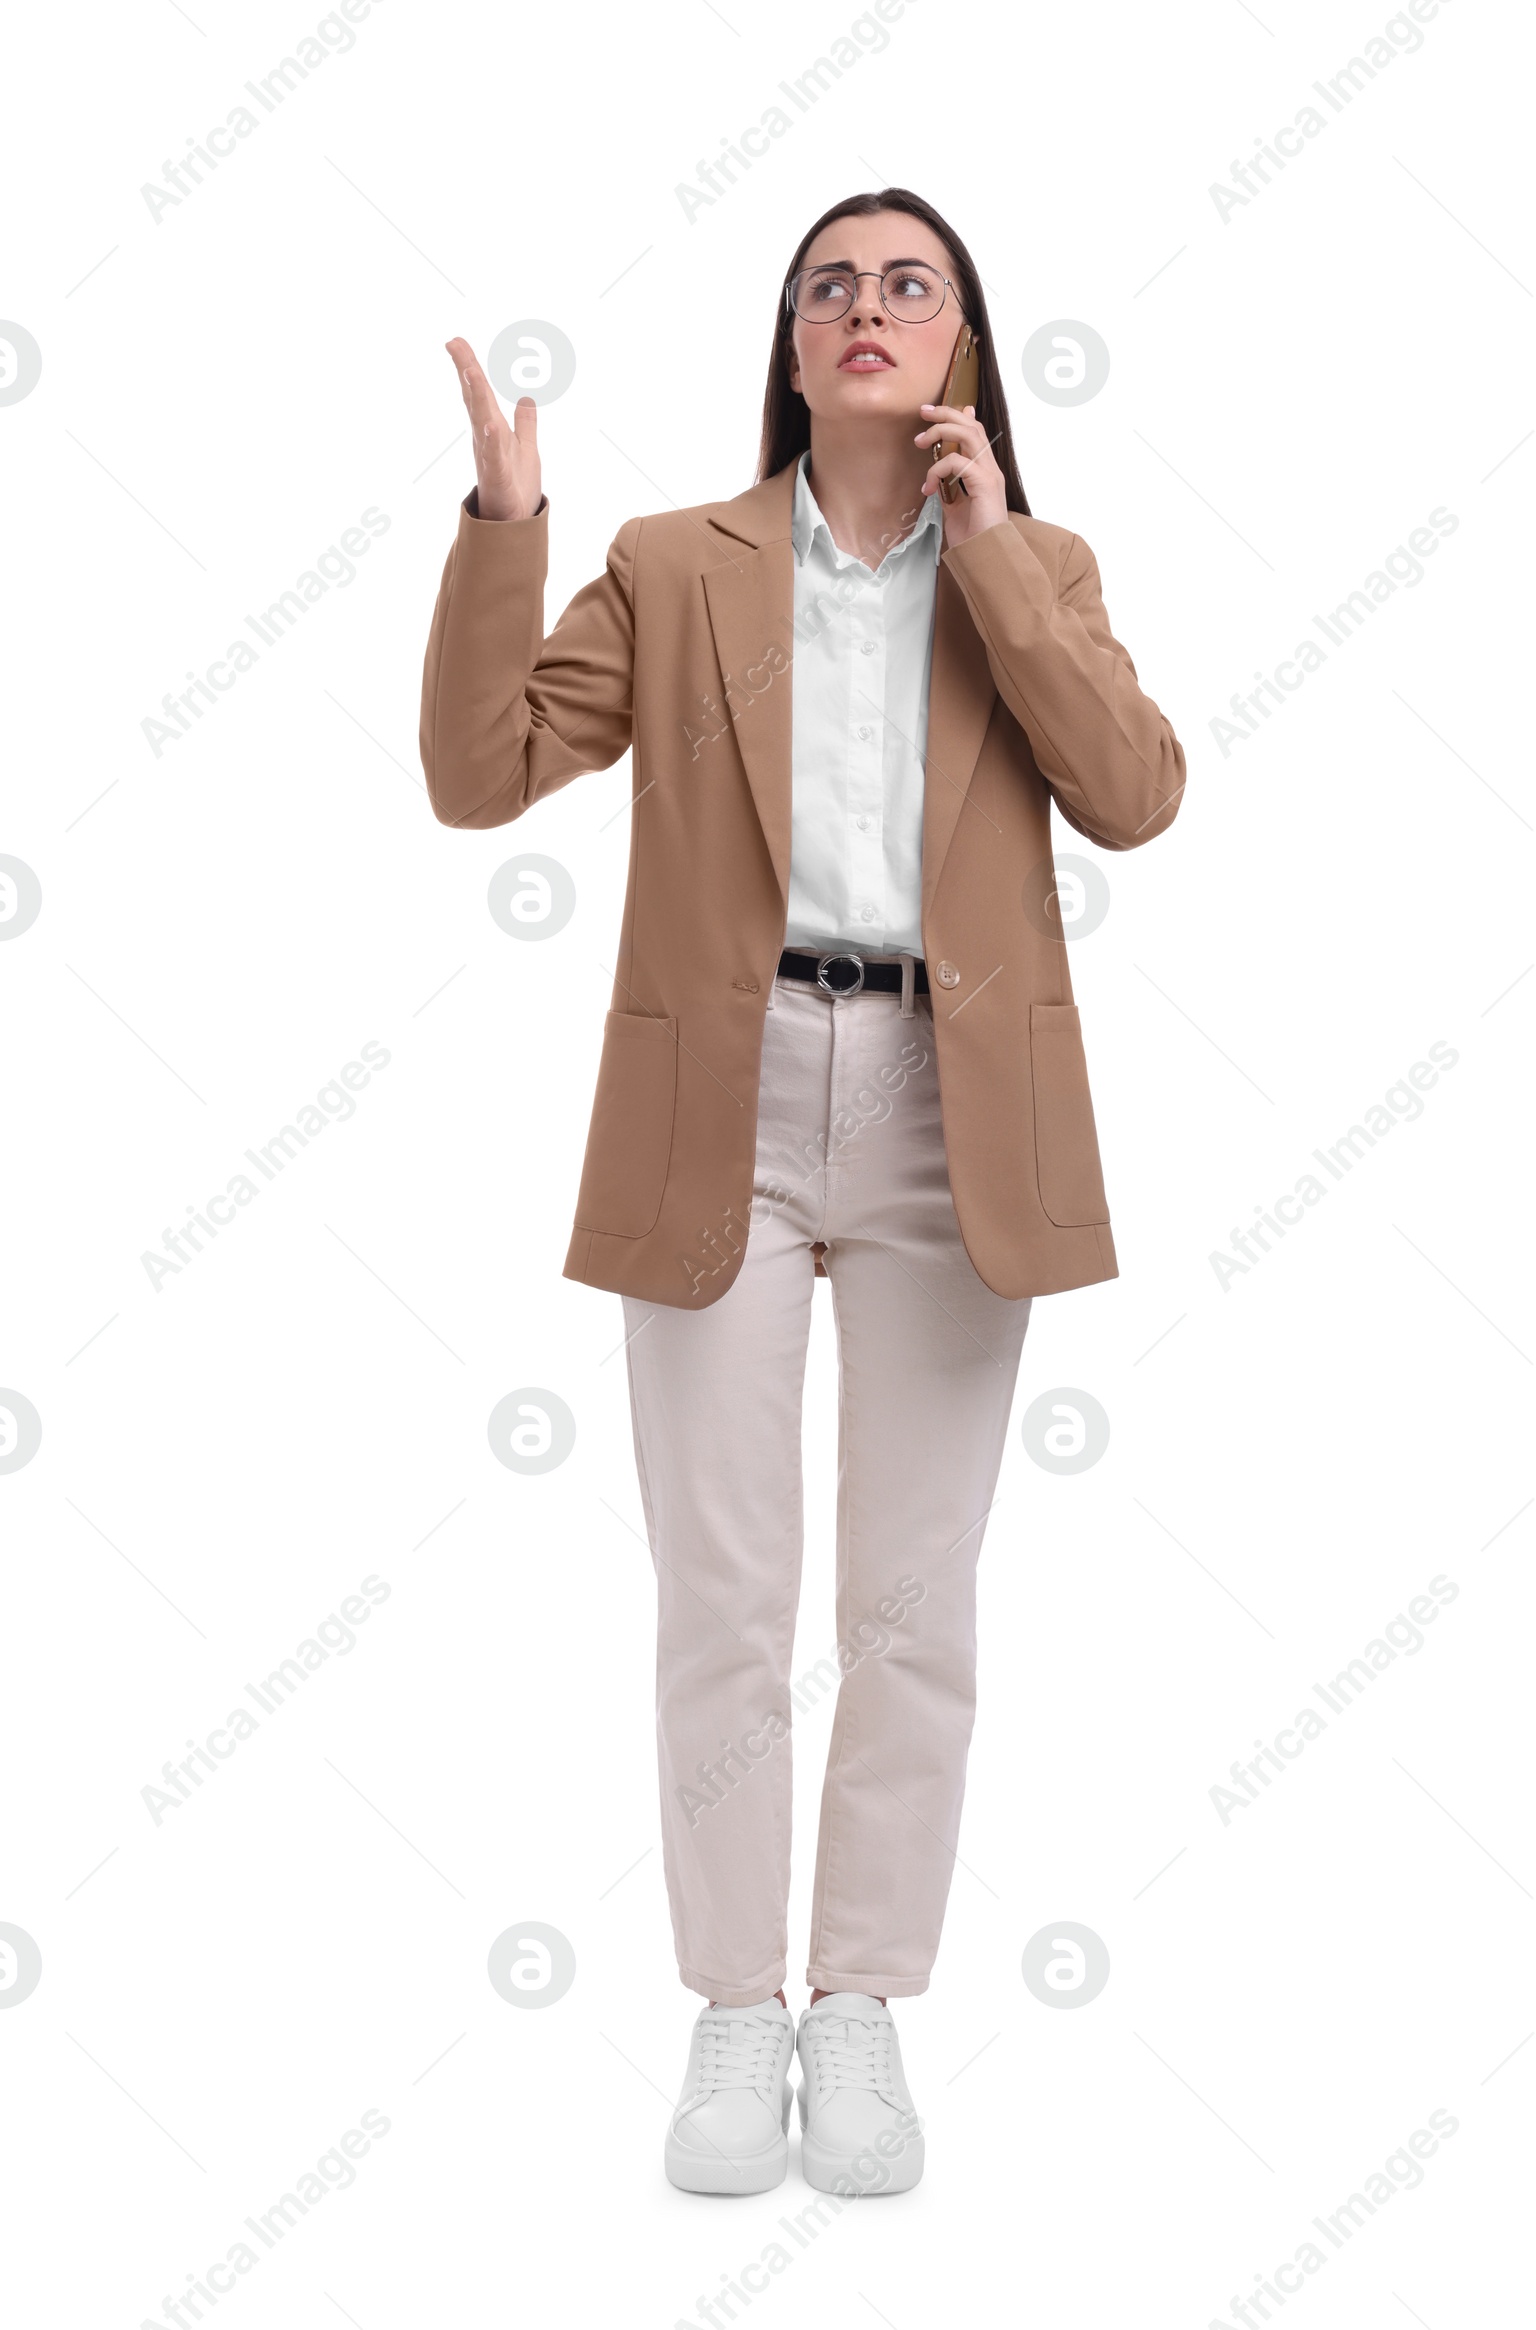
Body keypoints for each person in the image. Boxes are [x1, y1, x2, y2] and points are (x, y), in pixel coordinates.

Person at [420, 187, 1186, 2198]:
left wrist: (999, 561)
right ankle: (732, 2005)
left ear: (957, 343)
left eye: (904, 284)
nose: (862, 308)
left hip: (956, 1109)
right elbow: (478, 768)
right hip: (723, 1100)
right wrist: (504, 533)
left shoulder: (1042, 565)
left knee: (913, 1603)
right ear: (788, 341)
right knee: (725, 1597)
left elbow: (1130, 791)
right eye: (827, 284)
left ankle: (856, 2007)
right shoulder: (674, 567)